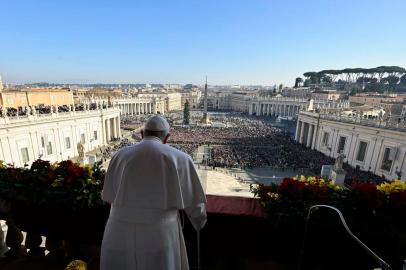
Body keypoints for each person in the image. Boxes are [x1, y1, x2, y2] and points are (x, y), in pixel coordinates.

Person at [100, 115, 207, 270]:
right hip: (159, 234)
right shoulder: (181, 158)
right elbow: (196, 206)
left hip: (118, 231)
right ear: (167, 138)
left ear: (142, 133)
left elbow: (108, 195)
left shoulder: (118, 156)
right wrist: (199, 223)